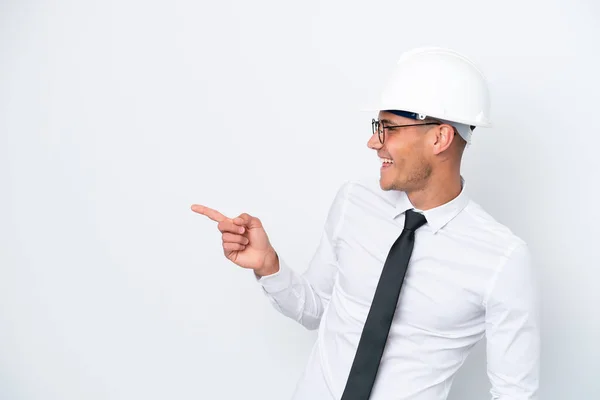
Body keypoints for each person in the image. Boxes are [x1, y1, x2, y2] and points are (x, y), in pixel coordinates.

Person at [191, 47, 540, 400]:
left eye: (387, 128)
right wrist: (270, 267)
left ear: (440, 138)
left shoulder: (501, 258)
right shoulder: (354, 202)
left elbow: (514, 393)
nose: (373, 142)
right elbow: (317, 310)